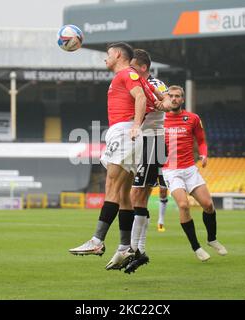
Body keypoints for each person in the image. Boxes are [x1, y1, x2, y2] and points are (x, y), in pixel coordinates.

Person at [69, 43, 170, 270]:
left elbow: (141, 99)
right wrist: (163, 101)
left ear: (116, 55)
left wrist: (135, 125)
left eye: (107, 54)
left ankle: (97, 240)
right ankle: (125, 247)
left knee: (112, 184)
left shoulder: (128, 73)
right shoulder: (138, 78)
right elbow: (157, 98)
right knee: (124, 193)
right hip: (129, 133)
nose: (105, 58)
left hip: (125, 131)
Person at [161, 85, 227, 263]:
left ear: (182, 99)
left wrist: (204, 154)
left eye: (177, 96)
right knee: (183, 205)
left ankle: (211, 239)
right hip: (171, 170)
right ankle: (196, 247)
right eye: (171, 96)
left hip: (190, 169)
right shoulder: (160, 119)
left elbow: (202, 140)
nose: (174, 99)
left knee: (208, 205)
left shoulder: (192, 118)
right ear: (167, 98)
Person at [122, 49, 171, 273]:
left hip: (153, 142)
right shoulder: (135, 83)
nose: (130, 70)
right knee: (138, 197)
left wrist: (164, 103)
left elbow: (168, 102)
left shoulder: (156, 85)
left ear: (142, 67)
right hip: (143, 143)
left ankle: (136, 249)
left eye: (133, 66)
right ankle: (138, 250)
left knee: (136, 195)